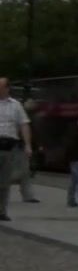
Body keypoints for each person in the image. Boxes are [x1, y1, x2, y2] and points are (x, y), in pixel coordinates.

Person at [0, 77, 34, 222]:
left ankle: (2, 211)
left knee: (4, 181)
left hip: (9, 146)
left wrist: (27, 144)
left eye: (1, 87)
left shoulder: (16, 105)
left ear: (7, 88)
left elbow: (24, 124)